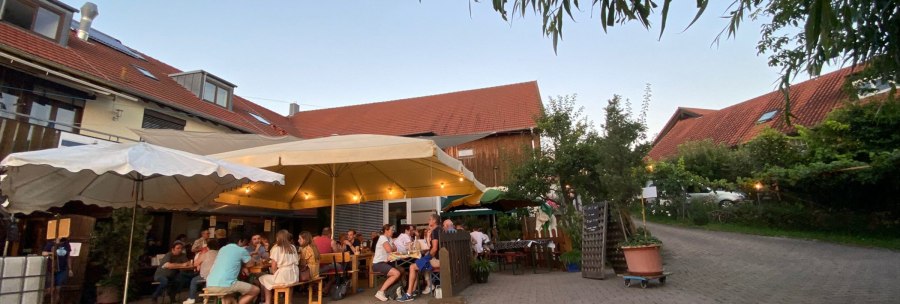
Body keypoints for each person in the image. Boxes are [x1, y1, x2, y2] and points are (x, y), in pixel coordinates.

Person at [206, 234, 259, 304]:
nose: (245, 244)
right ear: (240, 241)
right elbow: (250, 264)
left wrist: (242, 266)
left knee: (230, 296)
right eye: (244, 242)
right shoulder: (241, 250)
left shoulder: (222, 249)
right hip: (226, 284)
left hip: (210, 284)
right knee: (255, 290)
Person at [398, 214, 441, 301]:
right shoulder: (441, 230)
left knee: (412, 267)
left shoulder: (435, 231)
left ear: (434, 221)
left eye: (430, 219)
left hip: (438, 261)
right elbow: (431, 247)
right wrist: (428, 237)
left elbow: (434, 248)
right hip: (443, 259)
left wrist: (427, 258)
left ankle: (409, 294)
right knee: (418, 264)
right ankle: (414, 290)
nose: (428, 221)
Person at [259, 230, 300, 304]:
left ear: (278, 238)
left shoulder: (277, 248)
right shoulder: (293, 247)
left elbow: (273, 266)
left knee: (263, 278)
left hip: (284, 275)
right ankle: (289, 301)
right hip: (295, 275)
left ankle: (267, 302)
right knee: (289, 283)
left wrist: (275, 274)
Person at [183, 239, 220, 304]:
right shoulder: (220, 254)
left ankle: (191, 299)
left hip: (205, 276)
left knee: (194, 281)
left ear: (208, 247)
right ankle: (205, 298)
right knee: (206, 283)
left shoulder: (205, 254)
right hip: (217, 276)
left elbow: (195, 264)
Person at [372, 224, 401, 302]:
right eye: (392, 230)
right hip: (378, 264)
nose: (393, 231)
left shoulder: (389, 238)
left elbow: (395, 248)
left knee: (402, 270)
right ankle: (380, 292)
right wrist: (392, 248)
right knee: (396, 273)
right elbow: (389, 250)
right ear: (386, 231)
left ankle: (393, 292)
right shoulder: (383, 238)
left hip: (386, 263)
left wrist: (392, 248)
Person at [42, 237, 73, 304]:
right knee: (49, 289)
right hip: (51, 269)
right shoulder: (51, 244)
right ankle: (41, 301)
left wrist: (70, 269)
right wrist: (51, 253)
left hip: (62, 269)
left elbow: (68, 257)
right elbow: (43, 253)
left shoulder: (66, 244)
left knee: (57, 290)